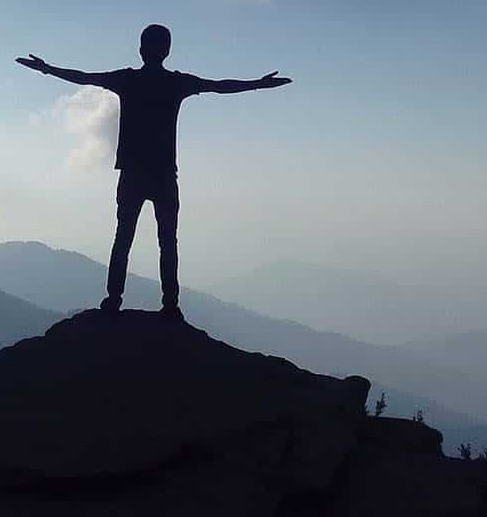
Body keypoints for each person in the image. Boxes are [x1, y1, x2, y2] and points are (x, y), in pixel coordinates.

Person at [17, 24, 290, 320]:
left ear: (141, 49)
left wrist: (46, 69)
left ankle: (113, 300)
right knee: (167, 241)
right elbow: (218, 85)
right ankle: (170, 305)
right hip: (163, 175)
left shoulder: (127, 79)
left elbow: (84, 77)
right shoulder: (176, 83)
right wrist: (257, 84)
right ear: (167, 50)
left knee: (123, 237)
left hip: (132, 173)